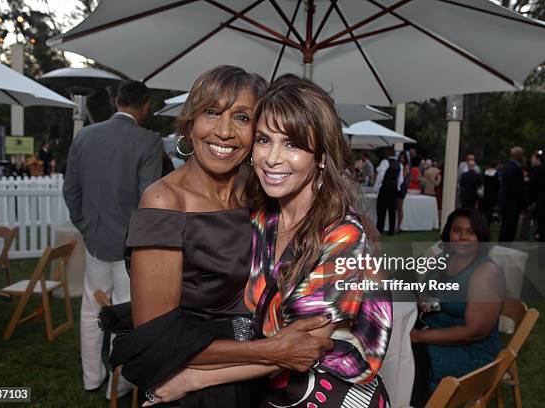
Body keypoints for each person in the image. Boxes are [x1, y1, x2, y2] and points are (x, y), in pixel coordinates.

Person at [146, 73, 392, 408]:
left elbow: (303, 350)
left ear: (320, 156)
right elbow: (255, 326)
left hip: (327, 396)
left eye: (292, 144)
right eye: (264, 140)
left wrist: (193, 377)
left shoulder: (342, 236)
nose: (272, 158)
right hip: (269, 393)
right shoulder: (264, 219)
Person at [115, 66, 331, 407]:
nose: (225, 131)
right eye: (211, 112)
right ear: (189, 123)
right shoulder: (165, 201)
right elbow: (156, 337)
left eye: (242, 118)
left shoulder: (259, 192)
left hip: (259, 379)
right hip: (196, 383)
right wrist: (272, 350)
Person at [63, 80, 163, 399]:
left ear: (117, 101)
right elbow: (149, 198)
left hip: (95, 239)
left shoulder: (85, 136)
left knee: (92, 308)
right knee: (125, 310)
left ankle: (92, 377)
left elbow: (70, 190)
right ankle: (117, 386)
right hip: (130, 244)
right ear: (145, 105)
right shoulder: (148, 140)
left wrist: (85, 225)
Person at [410, 208, 505, 405]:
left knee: (410, 358)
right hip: (435, 334)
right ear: (448, 234)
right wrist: (424, 301)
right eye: (457, 230)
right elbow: (429, 295)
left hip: (472, 353)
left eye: (471, 232)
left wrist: (419, 337)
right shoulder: (442, 261)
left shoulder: (486, 272)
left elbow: (475, 332)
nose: (462, 237)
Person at [498, 147, 525, 242]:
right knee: (510, 228)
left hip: (504, 201)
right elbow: (518, 188)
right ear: (517, 155)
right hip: (512, 203)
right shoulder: (516, 169)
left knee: (505, 226)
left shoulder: (505, 167)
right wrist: (522, 204)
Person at [374, 147, 403, 235]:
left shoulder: (385, 162)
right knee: (392, 211)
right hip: (394, 189)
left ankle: (380, 230)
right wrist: (397, 187)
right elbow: (400, 179)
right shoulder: (399, 164)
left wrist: (376, 188)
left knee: (381, 210)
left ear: (389, 153)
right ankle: (391, 231)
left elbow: (380, 176)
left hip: (385, 188)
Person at [396, 151, 411, 234]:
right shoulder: (398, 165)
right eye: (400, 157)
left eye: (403, 157)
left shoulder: (406, 166)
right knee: (397, 208)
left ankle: (398, 226)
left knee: (399, 208)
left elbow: (403, 177)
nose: (401, 159)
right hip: (398, 187)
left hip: (402, 188)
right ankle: (397, 226)